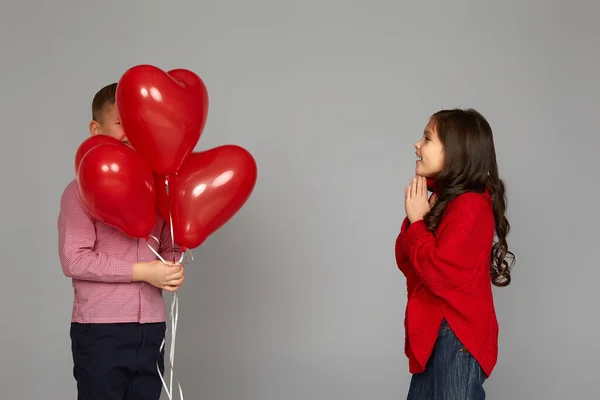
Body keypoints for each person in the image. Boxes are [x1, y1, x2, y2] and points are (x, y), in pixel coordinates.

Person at [58, 82, 184, 400]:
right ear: (96, 129)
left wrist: (172, 265)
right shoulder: (78, 192)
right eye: (121, 123)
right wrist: (143, 271)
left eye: (139, 124)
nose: (131, 132)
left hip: (152, 327)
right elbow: (75, 258)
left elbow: (169, 245)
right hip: (102, 329)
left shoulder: (159, 189)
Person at [395, 108, 515, 399]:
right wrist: (417, 218)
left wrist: (419, 222)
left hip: (456, 334)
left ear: (455, 151)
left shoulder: (471, 205)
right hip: (435, 336)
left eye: (427, 138)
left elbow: (440, 274)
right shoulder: (442, 200)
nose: (417, 145)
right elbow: (407, 259)